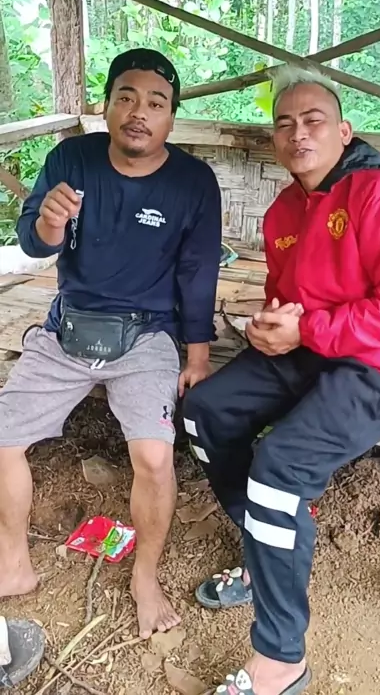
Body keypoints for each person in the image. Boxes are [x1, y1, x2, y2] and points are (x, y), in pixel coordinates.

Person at [183, 66, 380, 695]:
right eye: (284, 124)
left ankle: (281, 659)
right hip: (313, 347)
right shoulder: (282, 211)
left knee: (280, 467)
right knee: (202, 412)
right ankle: (263, 552)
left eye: (313, 120)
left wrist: (306, 331)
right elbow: (289, 298)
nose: (297, 133)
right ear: (275, 141)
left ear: (343, 131)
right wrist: (272, 324)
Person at [0, 48, 221, 639]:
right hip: (67, 326)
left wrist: (198, 354)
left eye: (156, 102)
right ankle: (13, 563)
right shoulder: (72, 159)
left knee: (154, 457)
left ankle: (145, 576)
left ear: (171, 116)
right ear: (106, 106)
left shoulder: (192, 182)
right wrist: (49, 222)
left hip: (147, 334)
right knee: (2, 439)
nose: (139, 112)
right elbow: (35, 242)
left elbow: (199, 271)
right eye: (126, 97)